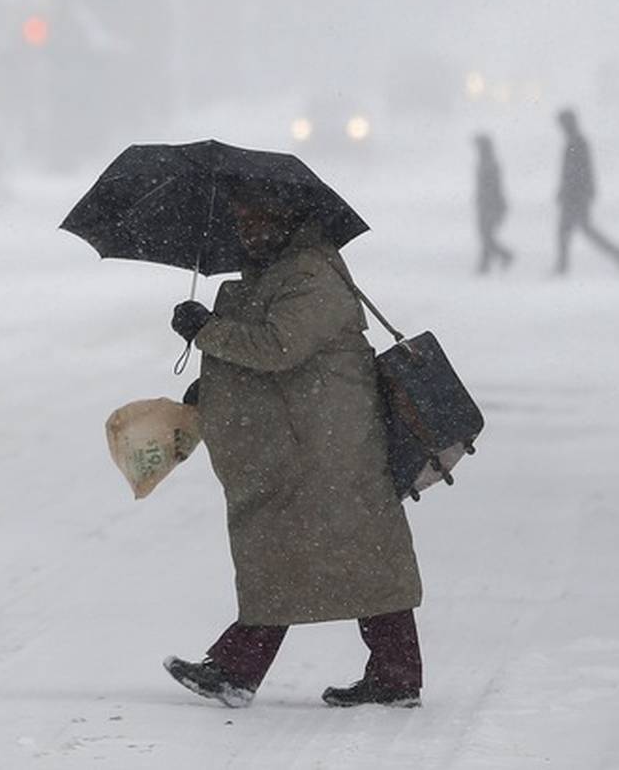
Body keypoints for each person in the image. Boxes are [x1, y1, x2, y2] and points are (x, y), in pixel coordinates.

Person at [161, 196, 424, 709]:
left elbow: (278, 347)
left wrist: (205, 330)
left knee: (315, 554)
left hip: (327, 448)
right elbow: (261, 358)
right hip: (303, 444)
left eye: (258, 217)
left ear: (288, 219)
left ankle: (240, 668)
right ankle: (392, 675)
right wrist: (210, 388)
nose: (248, 228)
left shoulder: (309, 274)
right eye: (242, 219)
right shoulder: (271, 273)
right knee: (334, 557)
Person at [554, 108, 619, 274]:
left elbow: (579, 171)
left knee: (571, 230)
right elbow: (574, 171)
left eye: (562, 123)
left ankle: (562, 266)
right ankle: (617, 253)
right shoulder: (575, 141)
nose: (560, 127)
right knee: (579, 230)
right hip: (576, 194)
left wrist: (571, 191)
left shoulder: (577, 142)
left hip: (576, 195)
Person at [473, 133, 514, 274]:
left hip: (490, 204)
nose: (477, 149)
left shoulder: (489, 164)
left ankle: (505, 255)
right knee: (486, 234)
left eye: (479, 146)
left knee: (486, 235)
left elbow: (494, 187)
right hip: (487, 204)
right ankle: (485, 265)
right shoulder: (487, 162)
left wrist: (492, 204)